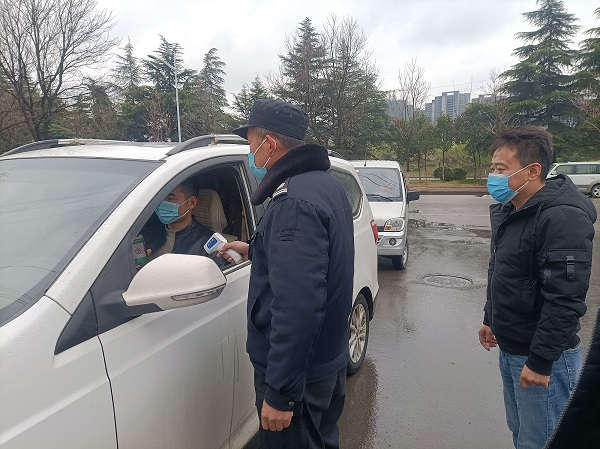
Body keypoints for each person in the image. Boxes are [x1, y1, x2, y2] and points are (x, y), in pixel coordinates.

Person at [219, 99, 354, 449]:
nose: (250, 152)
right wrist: (258, 249)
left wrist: (281, 393)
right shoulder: (322, 185)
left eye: (251, 142)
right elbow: (314, 262)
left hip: (300, 379)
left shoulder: (293, 203)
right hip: (325, 361)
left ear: (270, 143)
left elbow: (298, 307)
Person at [478, 126, 596, 449]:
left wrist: (541, 361)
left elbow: (565, 299)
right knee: (522, 433)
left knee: (542, 440)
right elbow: (502, 270)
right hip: (512, 348)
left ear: (532, 171)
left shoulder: (563, 218)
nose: (493, 176)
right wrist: (490, 318)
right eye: (492, 168)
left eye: (501, 169)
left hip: (544, 360)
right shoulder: (513, 209)